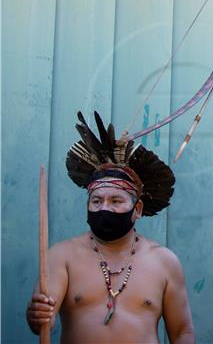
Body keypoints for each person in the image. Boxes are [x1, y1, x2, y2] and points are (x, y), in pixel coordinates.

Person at [26, 112, 194, 343]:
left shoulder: (164, 262)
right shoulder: (62, 255)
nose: (105, 208)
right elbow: (44, 317)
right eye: (97, 201)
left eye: (116, 201)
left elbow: (182, 332)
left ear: (137, 208)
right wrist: (38, 315)